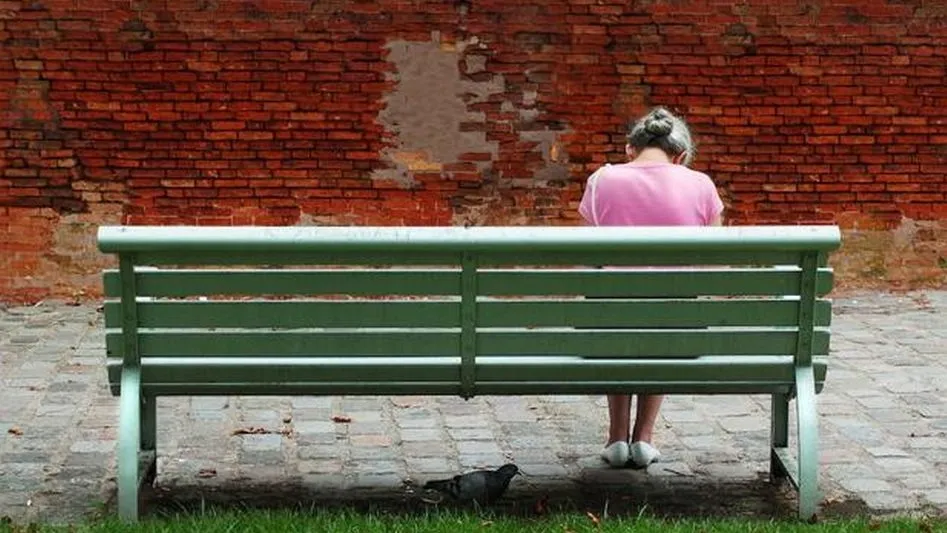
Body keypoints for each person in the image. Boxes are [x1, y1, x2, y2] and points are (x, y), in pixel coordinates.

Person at [577, 106, 725, 468]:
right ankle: (643, 438)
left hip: (609, 326)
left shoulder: (601, 180)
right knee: (669, 311)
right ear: (682, 156)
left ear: (631, 149)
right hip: (677, 328)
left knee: (614, 308)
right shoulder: (701, 184)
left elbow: (586, 257)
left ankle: (615, 438)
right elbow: (714, 260)